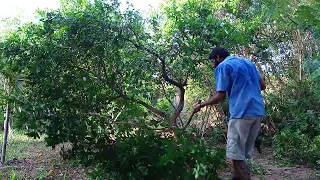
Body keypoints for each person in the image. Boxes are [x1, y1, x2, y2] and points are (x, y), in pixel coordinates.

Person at [193, 47, 266, 180]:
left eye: (212, 61)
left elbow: (221, 96)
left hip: (241, 113)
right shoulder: (248, 63)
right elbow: (262, 86)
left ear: (218, 58)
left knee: (236, 155)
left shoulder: (223, 66)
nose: (212, 64)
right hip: (257, 111)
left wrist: (202, 105)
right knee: (241, 154)